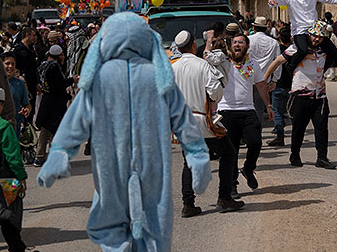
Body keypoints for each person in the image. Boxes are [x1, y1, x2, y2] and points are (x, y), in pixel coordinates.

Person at [36, 13, 212, 251]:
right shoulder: (157, 77)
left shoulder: (102, 79)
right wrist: (197, 155)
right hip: (150, 159)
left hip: (113, 159)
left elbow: (76, 120)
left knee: (112, 218)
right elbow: (182, 119)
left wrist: (59, 153)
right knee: (153, 218)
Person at [263, 18, 337, 169]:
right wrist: (264, 79)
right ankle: (295, 155)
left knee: (321, 127)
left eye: (320, 37)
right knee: (299, 127)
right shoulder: (297, 49)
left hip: (319, 96)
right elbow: (277, 62)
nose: (316, 39)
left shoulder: (324, 51)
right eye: (314, 35)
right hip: (299, 95)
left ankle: (322, 158)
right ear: (309, 34)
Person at [171, 30, 244, 215]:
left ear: (178, 48)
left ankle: (188, 204)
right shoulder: (203, 66)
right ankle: (224, 197)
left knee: (189, 161)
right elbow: (215, 94)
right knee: (228, 154)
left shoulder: (172, 67)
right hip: (203, 120)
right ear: (194, 46)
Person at [216, 34, 273, 196]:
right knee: (231, 151)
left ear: (247, 46)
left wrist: (268, 105)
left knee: (255, 142)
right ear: (230, 46)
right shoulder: (223, 63)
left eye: (241, 42)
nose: (237, 44)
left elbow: (261, 86)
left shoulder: (253, 64)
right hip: (226, 111)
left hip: (248, 110)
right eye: (234, 42)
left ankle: (248, 169)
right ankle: (232, 185)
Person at [0, 86, 32, 252]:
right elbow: (13, 157)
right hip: (7, 179)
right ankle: (16, 247)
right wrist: (22, 178)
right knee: (10, 215)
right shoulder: (4, 127)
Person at [33, 45, 77, 167]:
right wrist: (72, 80)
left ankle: (40, 156)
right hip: (55, 103)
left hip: (47, 100)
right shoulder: (54, 67)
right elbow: (58, 85)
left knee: (45, 129)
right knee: (54, 129)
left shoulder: (43, 65)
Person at [248, 17, 281, 123]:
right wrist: (274, 80)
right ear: (266, 29)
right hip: (263, 80)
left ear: (254, 27)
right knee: (259, 108)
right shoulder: (273, 42)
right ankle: (257, 133)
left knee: (246, 107)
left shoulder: (247, 40)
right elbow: (278, 62)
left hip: (247, 78)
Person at [266, 28, 293, 147]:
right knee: (292, 112)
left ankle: (279, 136)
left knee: (277, 111)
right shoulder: (295, 50)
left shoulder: (279, 51)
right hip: (292, 85)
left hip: (279, 84)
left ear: (280, 38)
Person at [0, 53, 31, 137]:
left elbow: (27, 104)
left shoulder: (20, 84)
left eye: (13, 64)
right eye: (7, 63)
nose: (10, 66)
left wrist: (26, 110)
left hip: (14, 126)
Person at [11, 28, 39, 112]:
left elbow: (33, 68)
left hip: (31, 82)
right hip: (22, 82)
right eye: (33, 35)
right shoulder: (18, 50)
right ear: (27, 35)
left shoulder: (31, 49)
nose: (35, 38)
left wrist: (36, 82)